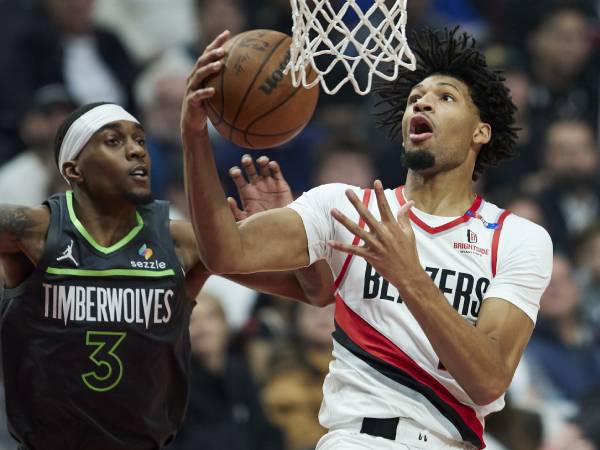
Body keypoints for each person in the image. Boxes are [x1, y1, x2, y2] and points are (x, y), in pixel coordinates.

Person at [181, 28, 553, 449]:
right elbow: (223, 252)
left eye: (445, 97)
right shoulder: (342, 206)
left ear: (480, 133)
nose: (423, 101)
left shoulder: (519, 238)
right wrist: (194, 136)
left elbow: (488, 382)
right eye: (415, 98)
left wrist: (411, 278)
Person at [0, 101, 332, 450]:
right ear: (74, 169)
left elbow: (316, 292)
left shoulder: (178, 243)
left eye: (140, 141)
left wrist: (288, 226)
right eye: (113, 141)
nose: (135, 151)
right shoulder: (32, 230)